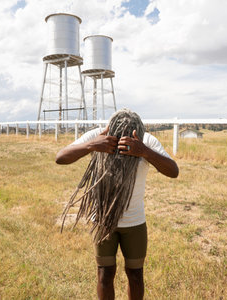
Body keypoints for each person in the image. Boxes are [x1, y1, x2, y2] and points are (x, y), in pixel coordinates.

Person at [56, 109, 179, 300]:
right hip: (103, 221)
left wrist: (144, 152)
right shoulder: (98, 136)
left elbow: (173, 171)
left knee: (136, 276)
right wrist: (91, 145)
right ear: (110, 129)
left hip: (135, 223)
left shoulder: (147, 141)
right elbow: (60, 157)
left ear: (138, 132)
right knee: (104, 274)